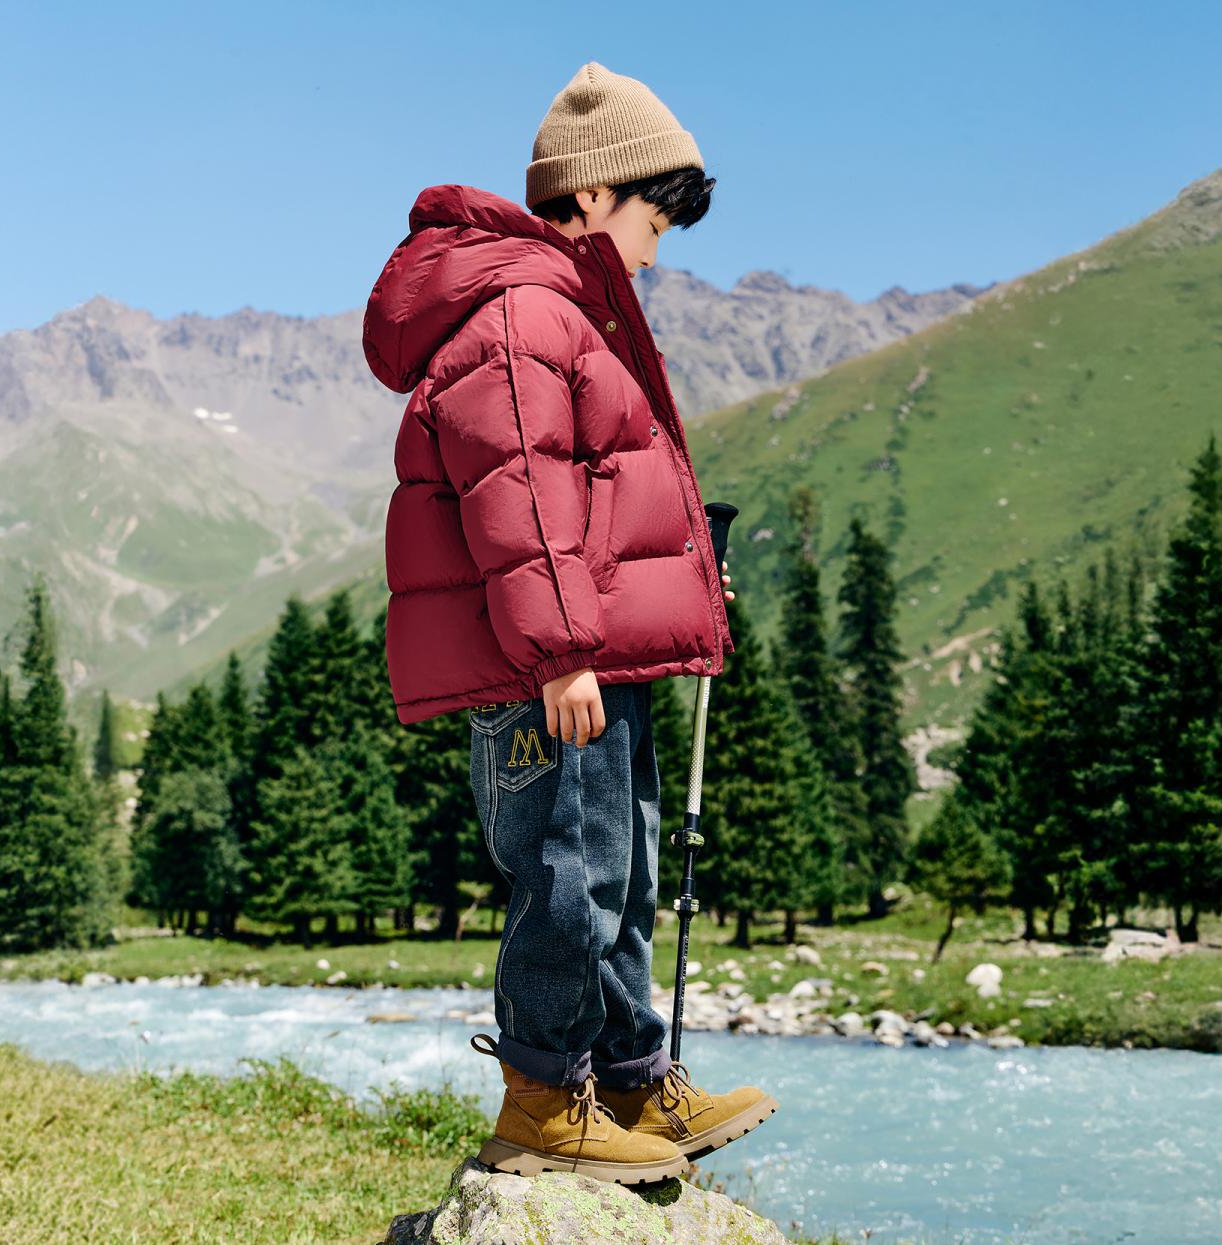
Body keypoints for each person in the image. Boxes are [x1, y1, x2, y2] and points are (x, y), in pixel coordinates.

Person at [361, 61, 776, 1183]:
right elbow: (524, 492)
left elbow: (599, 504)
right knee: (567, 875)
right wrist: (560, 650)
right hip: (548, 665)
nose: (655, 253)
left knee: (620, 869)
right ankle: (544, 1100)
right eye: (652, 224)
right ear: (593, 195)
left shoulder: (562, 312)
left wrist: (681, 588)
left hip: (587, 655)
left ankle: (630, 1080)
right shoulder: (521, 316)